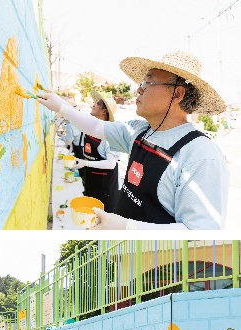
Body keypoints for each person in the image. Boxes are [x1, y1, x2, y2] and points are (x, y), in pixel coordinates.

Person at [37, 51, 229, 230]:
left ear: (177, 94)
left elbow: (200, 231)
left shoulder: (200, 155)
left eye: (147, 83)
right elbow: (96, 127)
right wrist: (60, 106)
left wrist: (128, 227)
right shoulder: (138, 131)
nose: (138, 89)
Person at [68, 90, 120, 212]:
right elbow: (73, 115)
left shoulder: (110, 135)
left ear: (104, 111)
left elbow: (111, 164)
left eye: (98, 103)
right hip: (90, 182)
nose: (94, 104)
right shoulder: (91, 128)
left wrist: (85, 163)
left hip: (104, 190)